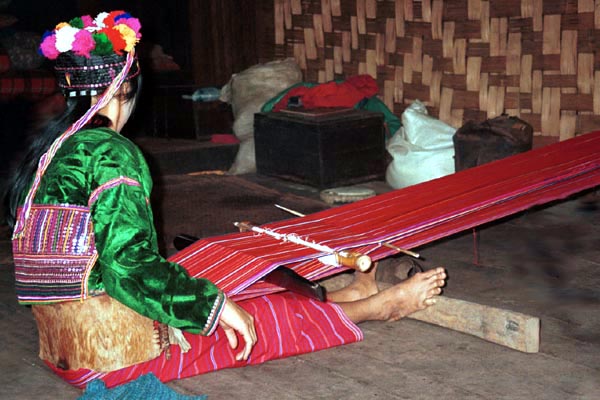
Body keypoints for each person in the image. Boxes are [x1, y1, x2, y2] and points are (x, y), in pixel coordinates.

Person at [4, 11, 446, 390]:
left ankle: (344, 296)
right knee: (253, 324)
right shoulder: (110, 153)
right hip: (112, 356)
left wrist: (207, 300)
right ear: (124, 88)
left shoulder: (48, 149)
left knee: (226, 287)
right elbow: (130, 272)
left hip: (63, 346)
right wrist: (212, 308)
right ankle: (375, 307)